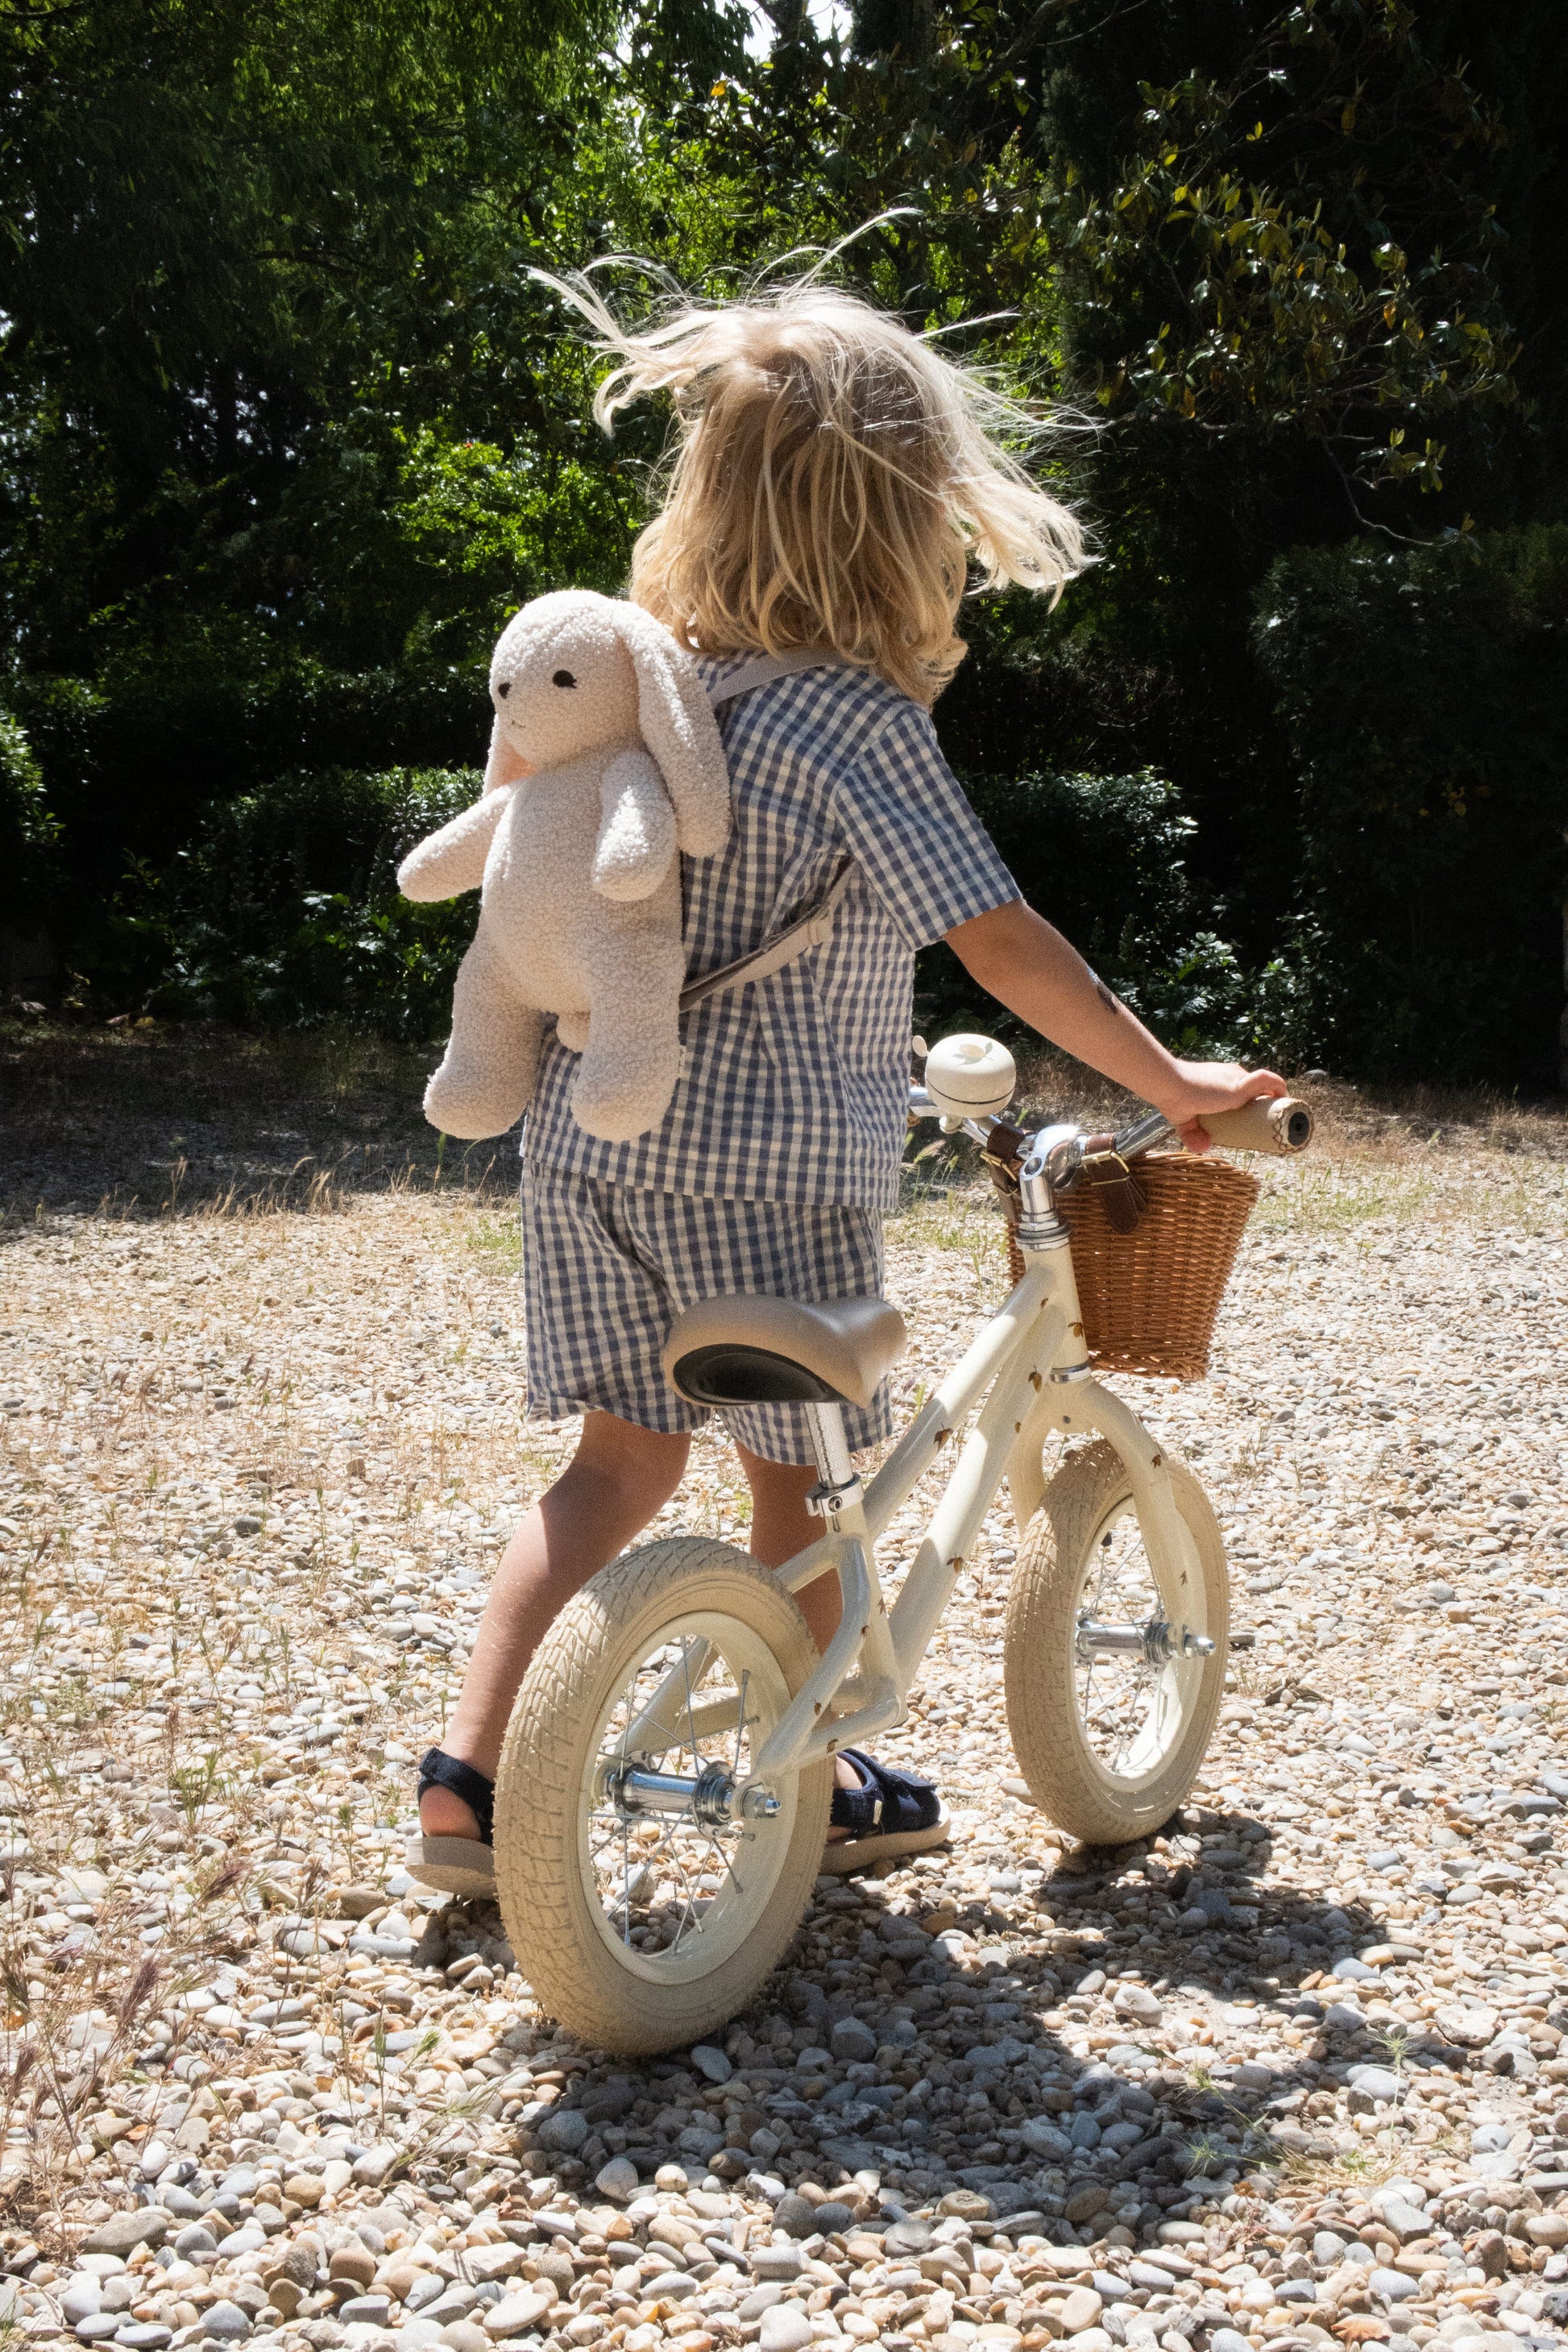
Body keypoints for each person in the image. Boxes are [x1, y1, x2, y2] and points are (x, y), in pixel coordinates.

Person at [407, 268, 1284, 1895]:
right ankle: (802, 1777)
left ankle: (465, 1779)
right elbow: (999, 938)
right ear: (903, 523)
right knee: (800, 1480)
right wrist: (1171, 1079)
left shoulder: (650, 687)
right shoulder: (853, 721)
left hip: (588, 1154)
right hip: (764, 1177)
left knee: (610, 1468)